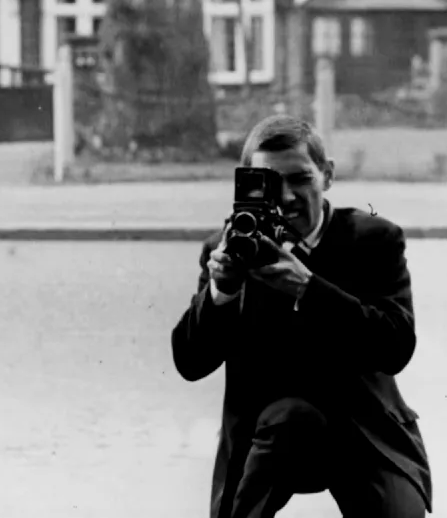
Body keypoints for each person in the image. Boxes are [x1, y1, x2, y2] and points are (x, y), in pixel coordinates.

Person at [170, 115, 431, 518]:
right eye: (270, 184)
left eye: (300, 179)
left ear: (327, 175)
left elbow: (396, 347)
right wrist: (222, 292)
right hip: (270, 436)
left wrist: (309, 288)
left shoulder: (374, 239)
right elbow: (189, 362)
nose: (287, 197)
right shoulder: (233, 245)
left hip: (363, 431)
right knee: (287, 422)